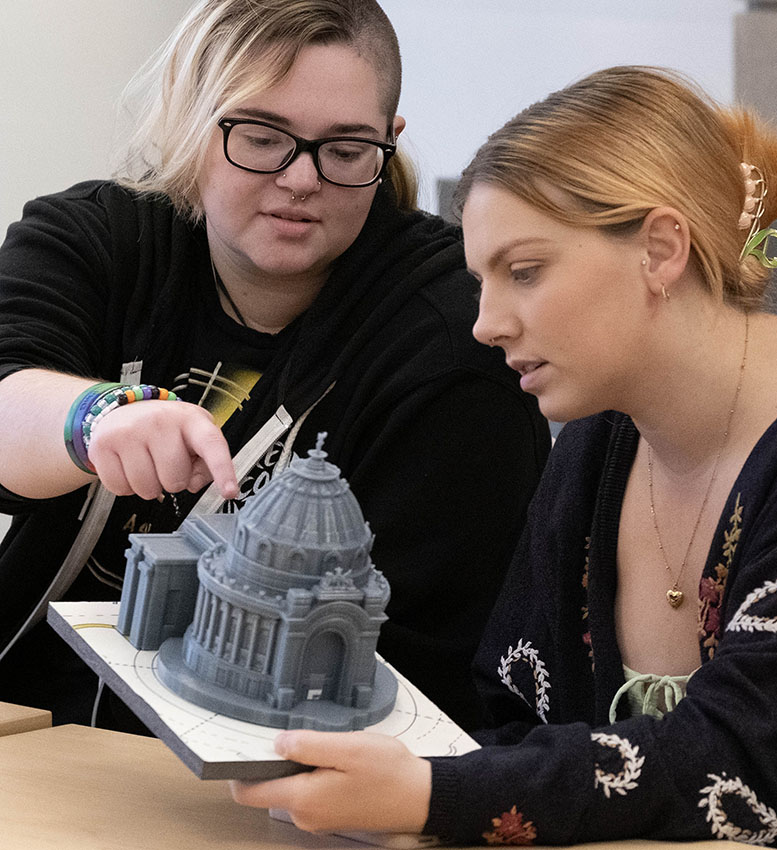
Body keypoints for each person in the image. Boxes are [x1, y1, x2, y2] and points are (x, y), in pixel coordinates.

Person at [228, 66, 777, 848]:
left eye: (523, 273)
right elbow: (514, 715)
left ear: (661, 248)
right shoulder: (596, 445)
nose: (485, 325)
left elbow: (748, 767)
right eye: (481, 282)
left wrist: (434, 795)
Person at [0, 0, 551, 734]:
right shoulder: (100, 237)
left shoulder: (451, 339)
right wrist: (98, 420)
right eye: (261, 138)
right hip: (29, 717)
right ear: (194, 124)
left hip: (274, 765)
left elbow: (408, 679)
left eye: (346, 150)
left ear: (390, 143)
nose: (300, 179)